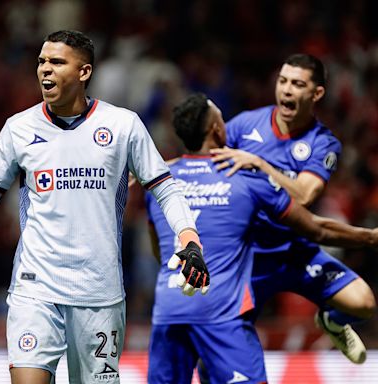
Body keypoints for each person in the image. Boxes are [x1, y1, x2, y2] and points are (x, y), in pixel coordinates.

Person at [0, 30, 210, 384]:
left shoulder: (123, 126)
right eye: (42, 62)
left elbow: (166, 189)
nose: (45, 70)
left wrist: (190, 239)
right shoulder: (18, 129)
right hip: (36, 288)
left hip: (100, 294)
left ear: (84, 72)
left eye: (57, 62)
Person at [145, 93, 378, 384]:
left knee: (361, 301)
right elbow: (316, 228)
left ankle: (333, 321)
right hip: (223, 312)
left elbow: (160, 251)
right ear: (218, 130)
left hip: (170, 307)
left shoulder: (160, 182)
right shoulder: (245, 178)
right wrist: (370, 237)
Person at [210, 53, 376, 364]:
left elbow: (303, 195)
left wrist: (260, 165)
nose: (286, 90)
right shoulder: (246, 124)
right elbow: (204, 158)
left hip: (297, 251)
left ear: (317, 94)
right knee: (217, 354)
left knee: (364, 302)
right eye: (283, 81)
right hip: (248, 257)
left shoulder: (323, 143)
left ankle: (331, 322)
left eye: (297, 84)